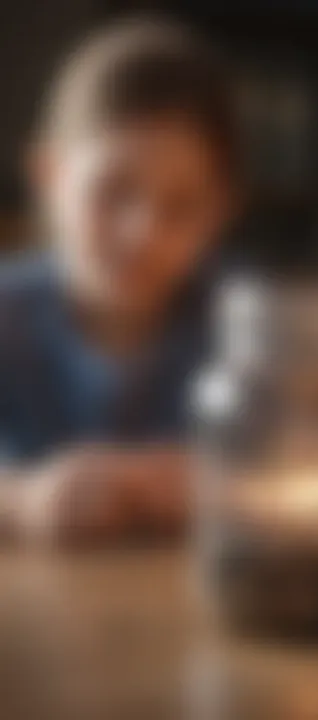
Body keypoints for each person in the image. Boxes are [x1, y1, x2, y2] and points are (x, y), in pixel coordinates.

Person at [0, 19, 239, 545]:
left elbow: (305, 473)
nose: (144, 234)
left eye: (181, 207)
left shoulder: (243, 325)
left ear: (220, 211)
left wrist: (219, 485)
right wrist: (22, 500)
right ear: (50, 176)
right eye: (113, 192)